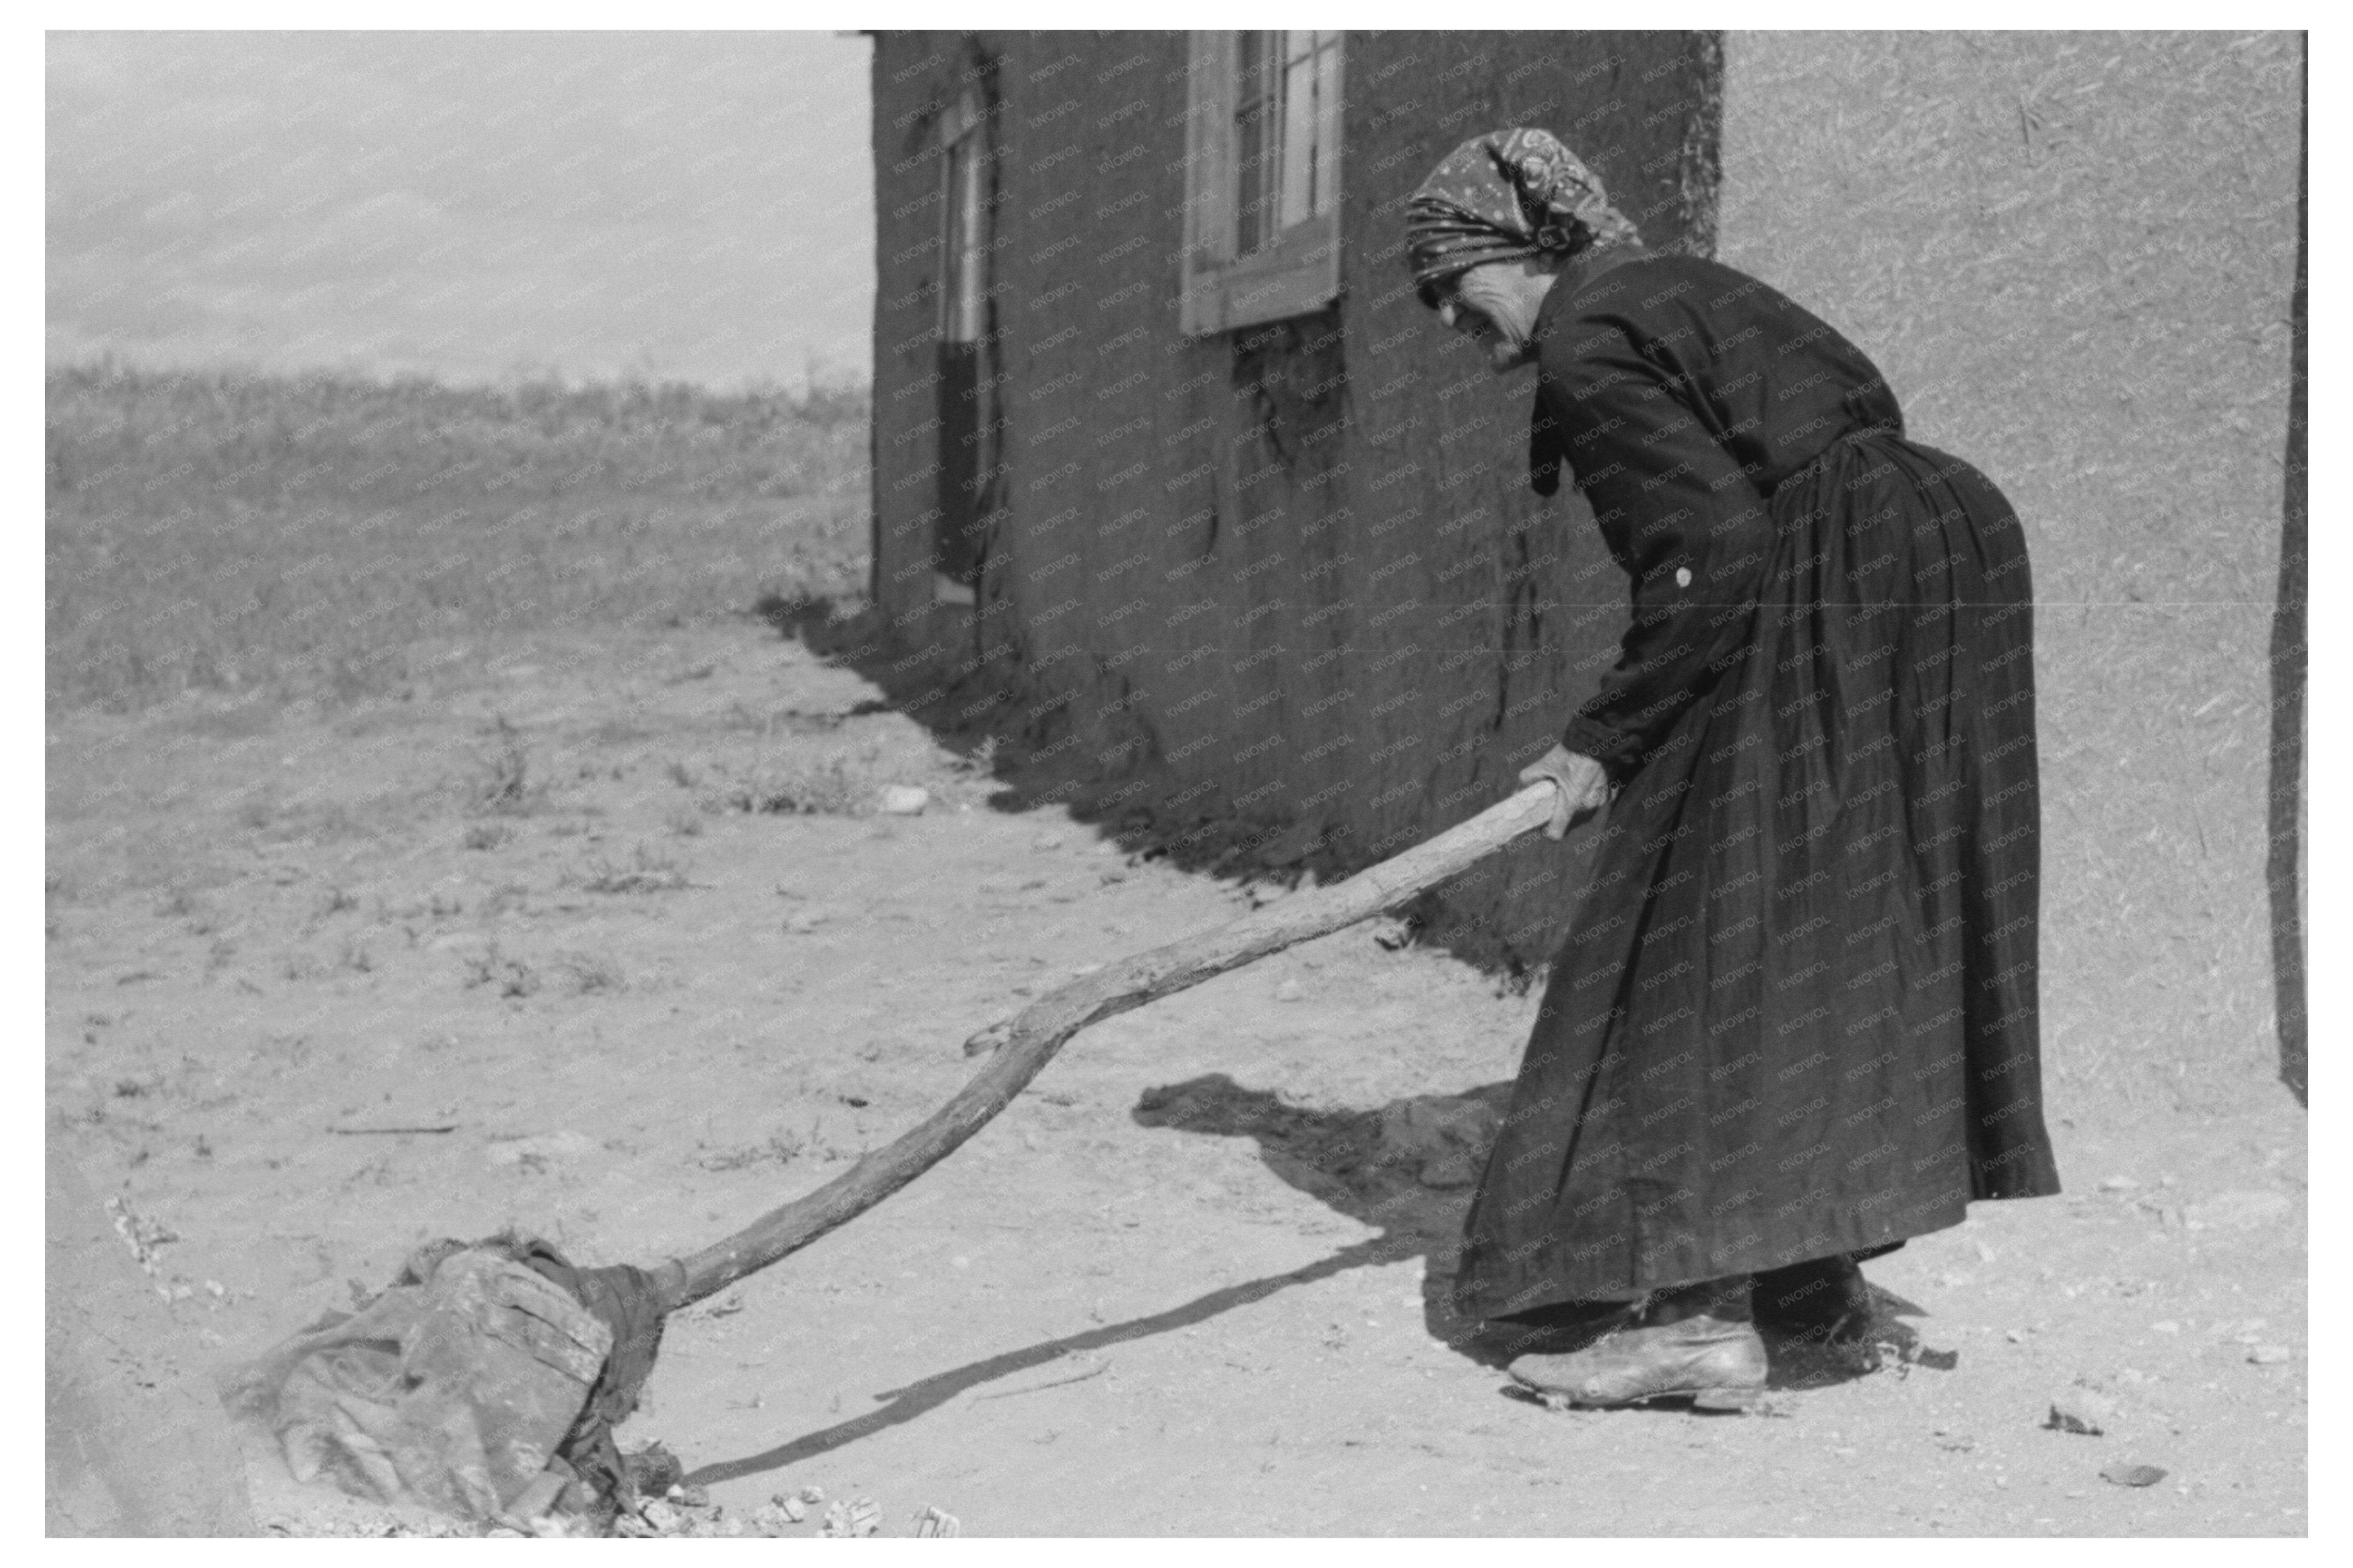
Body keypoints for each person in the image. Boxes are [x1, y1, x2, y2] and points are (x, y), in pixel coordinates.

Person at [1402, 129, 2060, 1409]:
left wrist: (1603, 741)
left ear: (1520, 251)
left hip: (1840, 583)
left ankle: (1700, 1317)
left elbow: (1707, 558)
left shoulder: (1593, 335)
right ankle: (1806, 1279)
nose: (1440, 313)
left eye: (1445, 275)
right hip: (1933, 559)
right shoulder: (1675, 288)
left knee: (1700, 933)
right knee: (1836, 925)